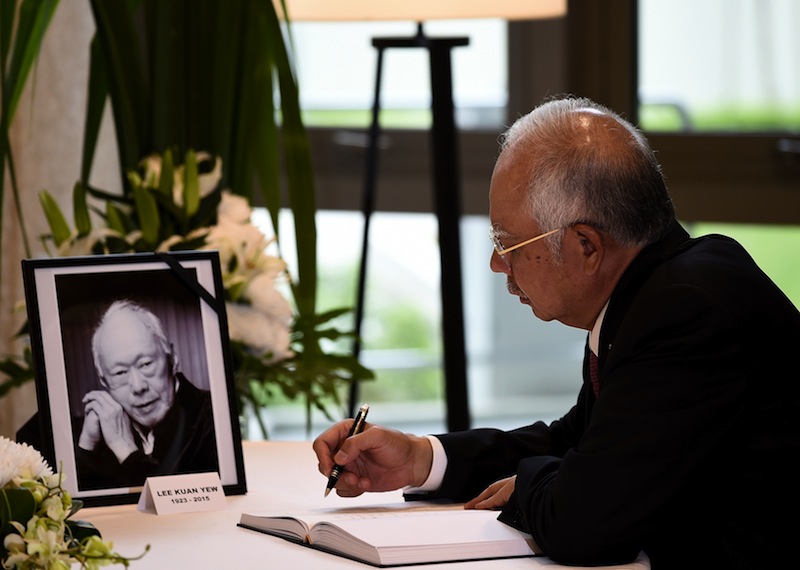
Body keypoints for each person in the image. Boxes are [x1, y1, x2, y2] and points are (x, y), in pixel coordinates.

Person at [313, 96, 800, 569]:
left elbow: (584, 525)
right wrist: (421, 459)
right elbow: (576, 441)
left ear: (586, 245)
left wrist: (532, 484)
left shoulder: (687, 312)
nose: (495, 264)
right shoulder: (658, 289)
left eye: (507, 243)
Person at [76, 299, 219, 489]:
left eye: (146, 364)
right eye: (120, 373)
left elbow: (177, 507)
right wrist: (87, 445)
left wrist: (125, 451)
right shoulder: (91, 430)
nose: (137, 386)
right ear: (104, 382)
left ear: (172, 359)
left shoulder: (214, 416)